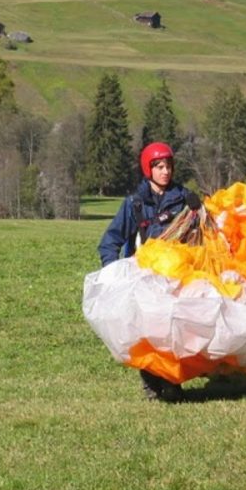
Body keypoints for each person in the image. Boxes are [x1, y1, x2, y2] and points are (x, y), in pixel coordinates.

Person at [97, 142, 198, 403]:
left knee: (175, 333)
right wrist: (113, 271)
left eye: (169, 166)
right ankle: (152, 383)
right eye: (160, 167)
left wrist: (200, 211)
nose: (166, 172)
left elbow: (203, 236)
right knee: (147, 333)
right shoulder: (135, 204)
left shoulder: (185, 200)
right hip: (144, 279)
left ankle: (173, 383)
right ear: (148, 169)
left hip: (176, 278)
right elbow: (111, 241)